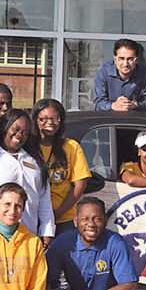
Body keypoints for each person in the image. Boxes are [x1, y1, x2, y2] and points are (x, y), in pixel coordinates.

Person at [0, 108, 54, 246]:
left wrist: (47, 230)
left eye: (25, 132)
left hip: (28, 235)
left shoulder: (34, 159)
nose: (19, 134)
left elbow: (44, 198)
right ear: (4, 127)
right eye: (16, 129)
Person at [34, 99, 91, 234]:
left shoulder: (71, 147)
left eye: (56, 118)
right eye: (44, 118)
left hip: (64, 219)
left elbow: (79, 185)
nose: (50, 123)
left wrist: (57, 214)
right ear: (35, 119)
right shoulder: (29, 147)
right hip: (32, 218)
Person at [93, 38, 146, 112]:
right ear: (115, 59)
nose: (125, 64)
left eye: (130, 59)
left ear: (137, 60)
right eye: (121, 58)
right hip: (109, 120)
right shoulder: (104, 71)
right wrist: (113, 105)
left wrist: (134, 105)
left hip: (136, 120)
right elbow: (97, 104)